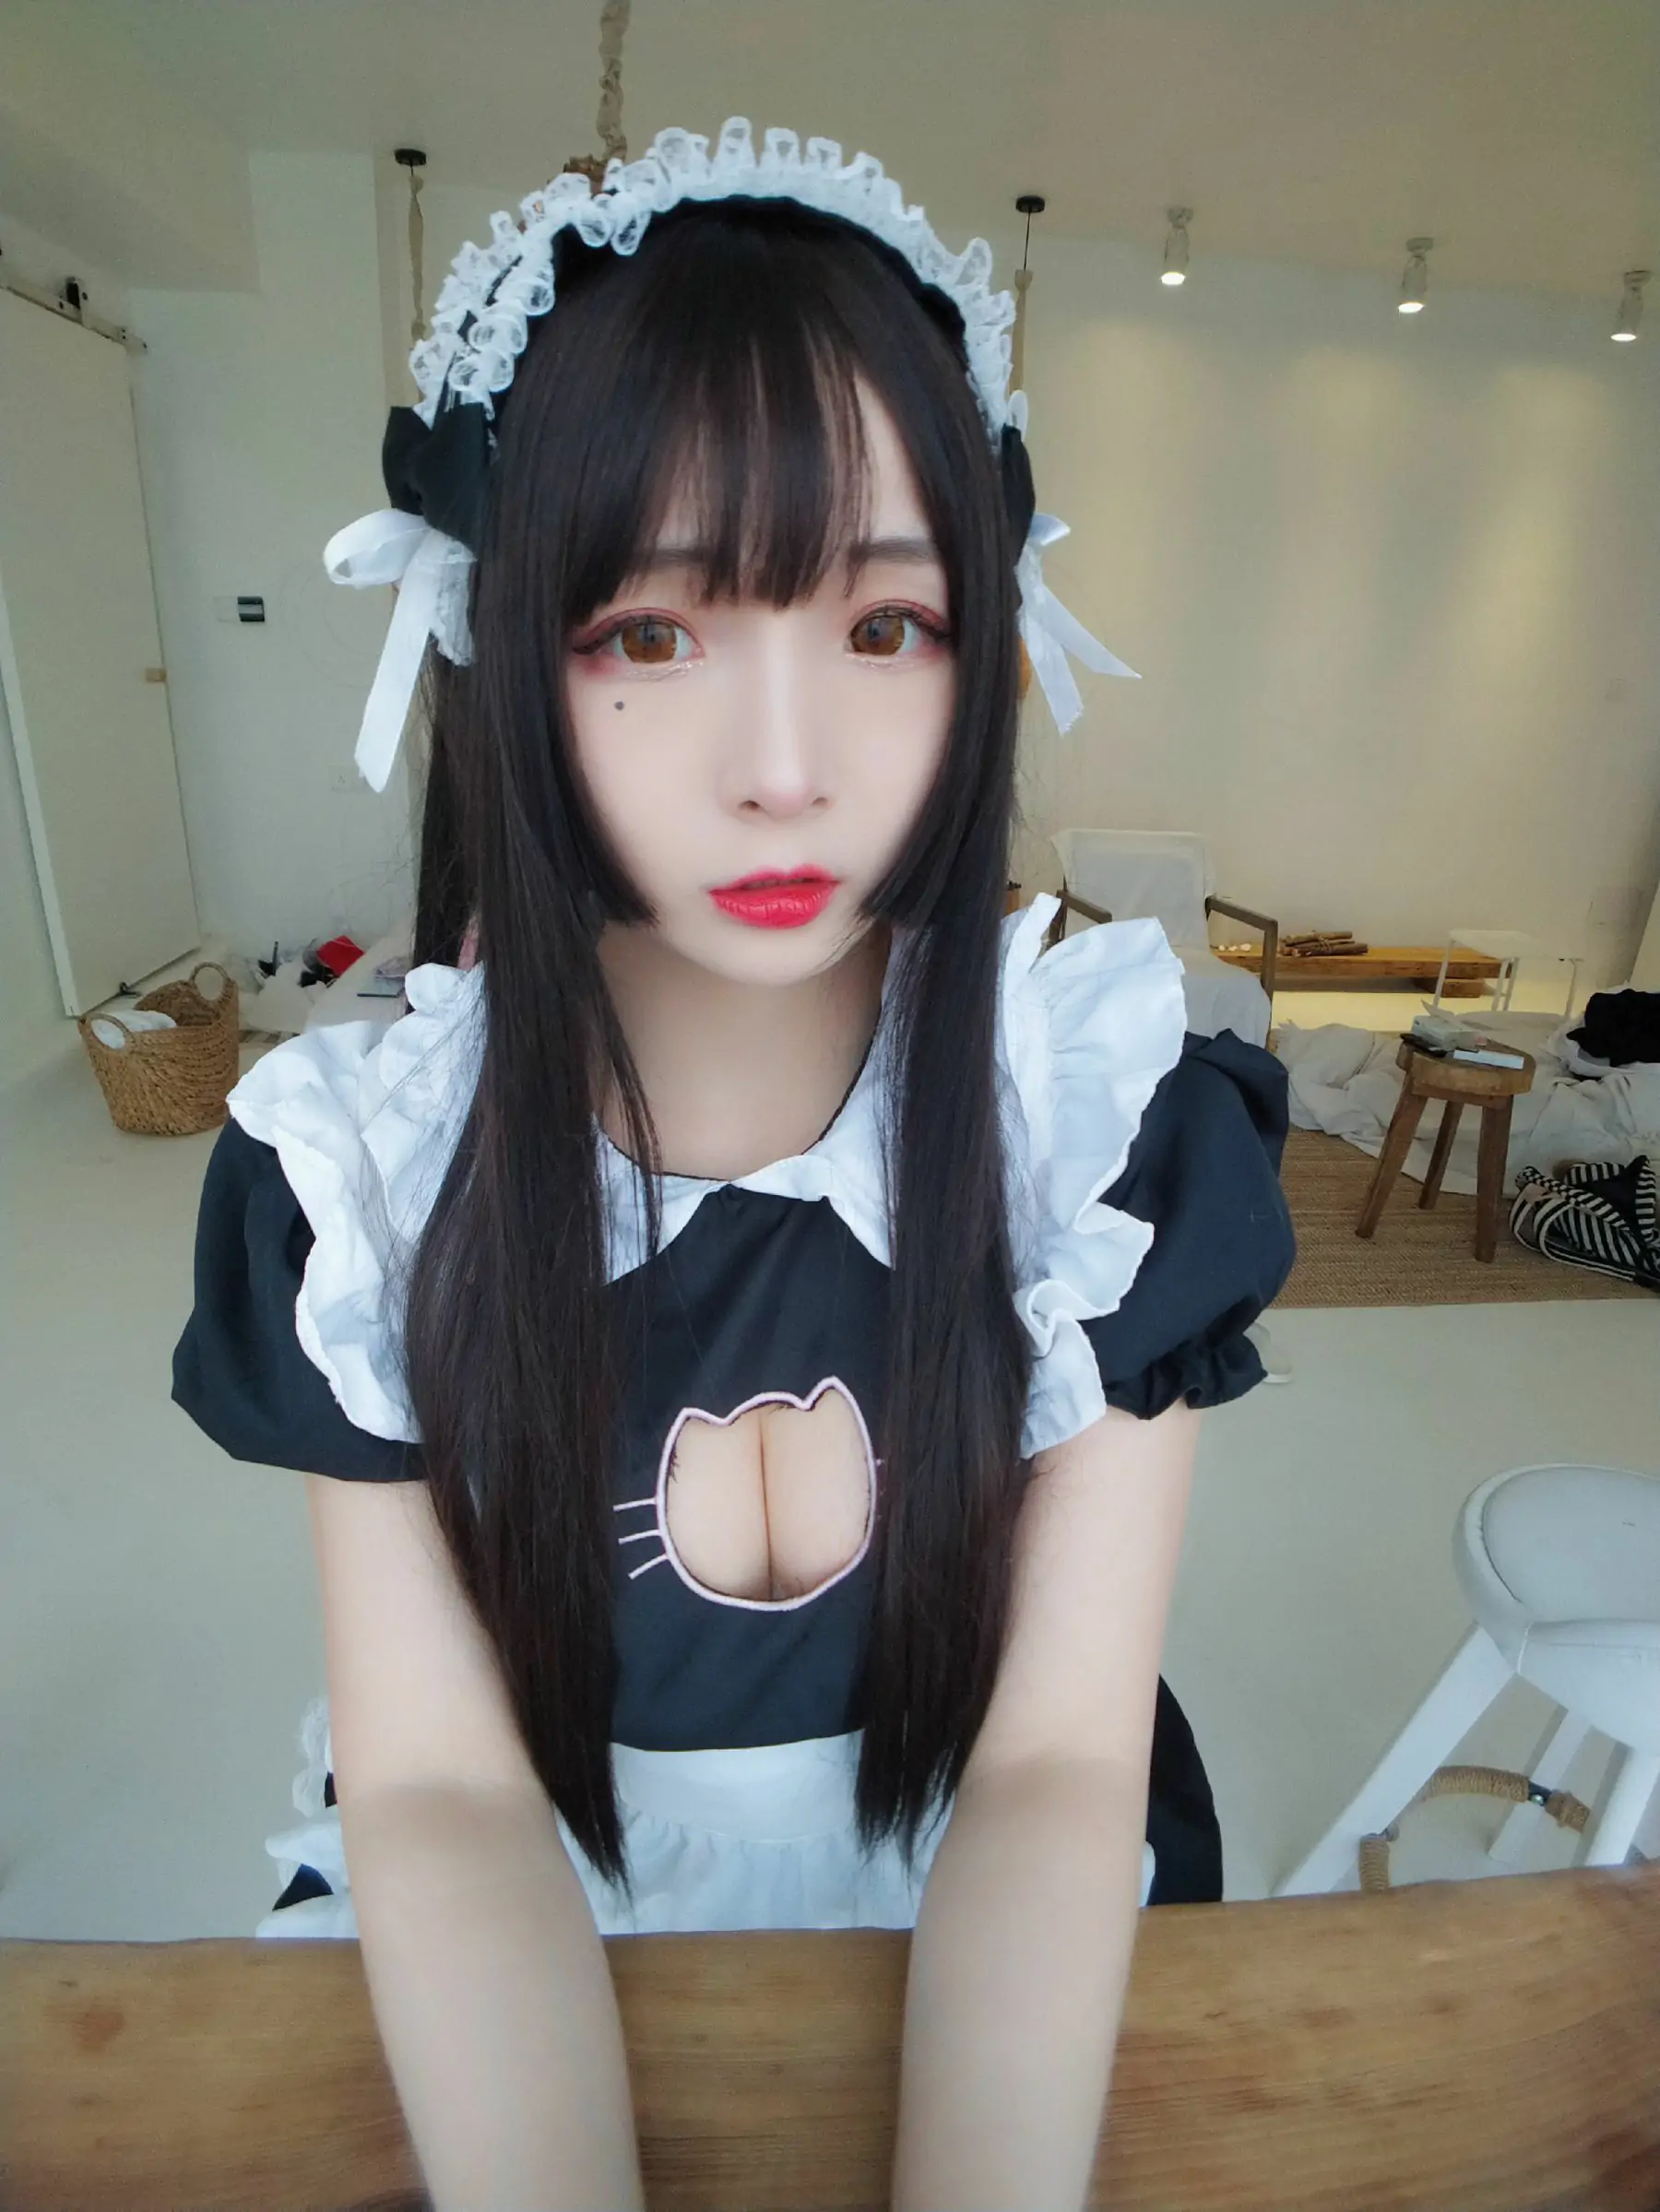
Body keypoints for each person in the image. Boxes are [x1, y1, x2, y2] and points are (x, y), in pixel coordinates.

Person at [172, 119, 1296, 2212]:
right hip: (524, 1917)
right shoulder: (370, 1180)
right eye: (651, 631)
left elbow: (1059, 1764)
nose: (786, 767)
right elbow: (439, 1796)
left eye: (885, 626)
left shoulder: (1093, 1126)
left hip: (982, 1915)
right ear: (505, 643)